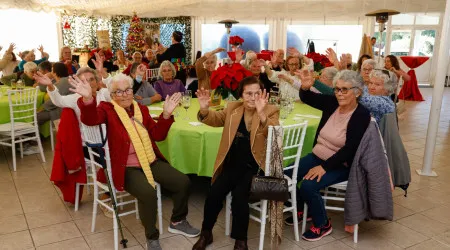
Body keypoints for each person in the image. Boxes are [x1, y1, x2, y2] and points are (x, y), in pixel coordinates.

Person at [72, 73, 200, 249]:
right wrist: (87, 99)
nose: (124, 95)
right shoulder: (106, 109)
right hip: (126, 167)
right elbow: (90, 119)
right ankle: (151, 237)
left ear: (133, 91)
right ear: (112, 95)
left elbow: (158, 135)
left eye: (127, 90)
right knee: (148, 193)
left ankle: (177, 221)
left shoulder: (141, 109)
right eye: (119, 92)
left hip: (149, 160)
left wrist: (166, 115)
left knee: (182, 181)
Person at [192, 76, 279, 250]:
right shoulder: (233, 108)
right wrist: (204, 110)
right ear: (241, 95)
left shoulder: (271, 110)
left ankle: (241, 241)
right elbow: (215, 119)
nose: (253, 97)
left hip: (255, 167)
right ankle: (206, 233)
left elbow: (275, 137)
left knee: (239, 197)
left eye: (256, 93)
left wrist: (262, 114)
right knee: (214, 193)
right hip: (233, 164)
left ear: (262, 94)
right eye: (248, 93)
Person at [284, 70, 370, 242]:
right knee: (285, 174)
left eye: (345, 90)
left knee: (308, 185)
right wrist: (306, 89)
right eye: (337, 89)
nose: (339, 93)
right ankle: (302, 208)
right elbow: (309, 98)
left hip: (343, 164)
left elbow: (350, 149)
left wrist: (324, 167)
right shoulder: (333, 103)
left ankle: (323, 224)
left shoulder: (361, 115)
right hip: (318, 155)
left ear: (358, 92)